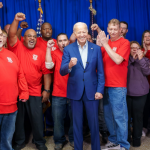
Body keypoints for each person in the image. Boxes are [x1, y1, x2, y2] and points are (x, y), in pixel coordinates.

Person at [8, 12, 52, 150]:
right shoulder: (18, 46)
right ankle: (20, 142)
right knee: (19, 119)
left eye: (34, 36)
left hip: (34, 90)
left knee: (37, 118)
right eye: (29, 36)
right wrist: (16, 20)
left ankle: (39, 142)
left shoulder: (41, 51)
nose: (32, 38)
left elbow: (46, 73)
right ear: (24, 38)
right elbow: (11, 35)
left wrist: (46, 90)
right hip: (18, 90)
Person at [60, 22, 105, 150]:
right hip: (75, 92)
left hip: (93, 91)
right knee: (77, 124)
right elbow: (62, 71)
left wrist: (100, 90)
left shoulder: (96, 49)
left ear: (87, 32)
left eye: (83, 32)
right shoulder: (68, 49)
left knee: (94, 124)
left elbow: (101, 72)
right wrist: (68, 65)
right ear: (74, 33)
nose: (81, 34)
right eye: (78, 32)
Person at [96, 19, 130, 150]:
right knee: (108, 116)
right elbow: (100, 61)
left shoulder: (125, 43)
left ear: (120, 30)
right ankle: (114, 140)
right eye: (110, 29)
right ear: (108, 29)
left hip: (118, 86)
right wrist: (100, 46)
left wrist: (105, 44)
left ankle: (124, 145)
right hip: (105, 85)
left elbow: (117, 59)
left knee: (120, 116)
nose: (113, 32)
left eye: (115, 29)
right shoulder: (106, 43)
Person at [0, 28, 29, 150]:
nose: (0, 37)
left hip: (11, 106)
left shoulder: (11, 55)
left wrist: (24, 92)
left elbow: (20, 76)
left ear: (5, 38)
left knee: (7, 138)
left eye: (2, 35)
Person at [45, 33, 74, 150]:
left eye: (65, 40)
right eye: (60, 41)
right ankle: (59, 140)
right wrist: (48, 48)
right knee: (57, 119)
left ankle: (73, 138)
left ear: (68, 41)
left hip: (73, 93)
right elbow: (48, 65)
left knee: (75, 118)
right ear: (57, 43)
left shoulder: (74, 52)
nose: (63, 43)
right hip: (58, 92)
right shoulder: (54, 52)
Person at [127, 41, 150, 147]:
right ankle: (126, 139)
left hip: (141, 93)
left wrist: (140, 59)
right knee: (126, 118)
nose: (134, 49)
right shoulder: (126, 60)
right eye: (132, 48)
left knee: (138, 117)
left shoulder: (145, 60)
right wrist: (133, 58)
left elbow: (147, 72)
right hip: (126, 93)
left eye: (137, 48)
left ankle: (136, 140)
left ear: (140, 49)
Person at [141, 30, 150, 136]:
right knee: (146, 106)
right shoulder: (141, 51)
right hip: (145, 84)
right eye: (145, 36)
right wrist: (144, 52)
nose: (147, 37)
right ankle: (144, 127)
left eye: (149, 36)